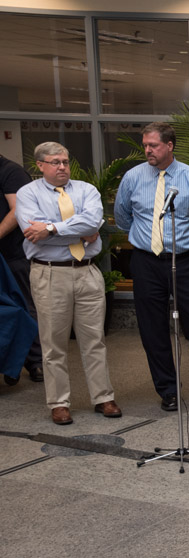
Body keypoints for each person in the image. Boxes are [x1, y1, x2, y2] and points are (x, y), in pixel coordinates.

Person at [114, 122, 189, 411]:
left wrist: (183, 241)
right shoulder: (132, 177)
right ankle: (168, 391)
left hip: (185, 261)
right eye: (145, 145)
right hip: (145, 262)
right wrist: (149, 239)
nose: (147, 150)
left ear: (169, 146)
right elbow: (122, 217)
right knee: (152, 328)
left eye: (153, 145)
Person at [15, 142, 121, 425]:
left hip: (87, 272)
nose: (62, 167)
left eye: (65, 161)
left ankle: (103, 398)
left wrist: (51, 228)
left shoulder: (86, 190)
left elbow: (92, 223)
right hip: (50, 273)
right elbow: (30, 230)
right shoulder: (28, 193)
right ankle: (59, 403)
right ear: (40, 165)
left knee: (94, 341)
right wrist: (80, 232)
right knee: (53, 344)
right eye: (55, 162)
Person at [0, 153, 43, 385]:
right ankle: (9, 364)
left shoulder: (10, 171)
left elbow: (16, 211)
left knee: (25, 306)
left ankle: (36, 362)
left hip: (14, 254)